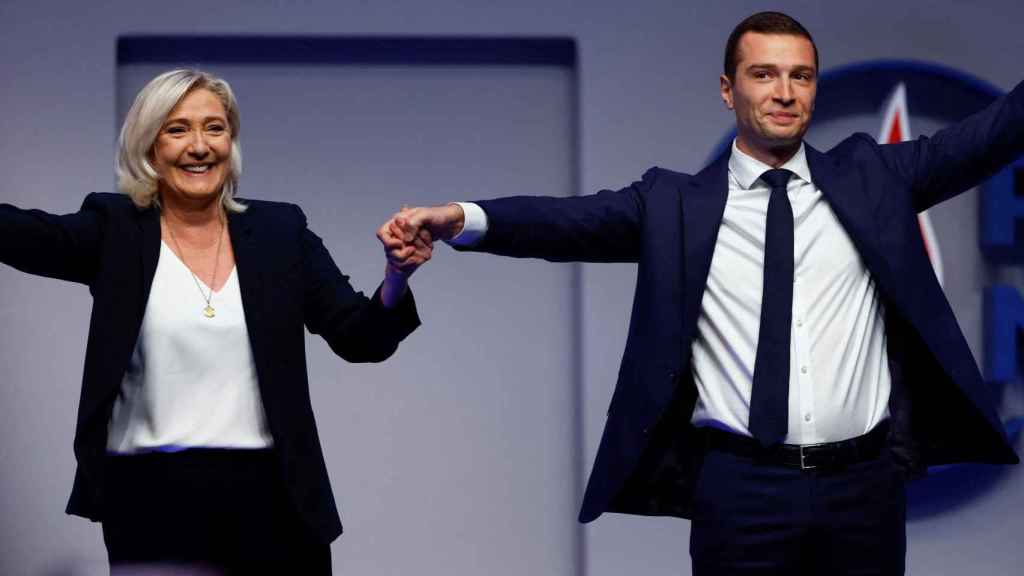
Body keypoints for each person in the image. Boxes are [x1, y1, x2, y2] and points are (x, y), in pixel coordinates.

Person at [379, 11, 1020, 575]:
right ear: (727, 88)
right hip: (739, 489)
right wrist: (460, 217)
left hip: (864, 486)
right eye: (764, 74)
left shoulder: (874, 177)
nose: (785, 92)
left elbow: (992, 134)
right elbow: (567, 221)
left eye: (801, 77)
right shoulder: (675, 203)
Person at [0, 69, 430, 574]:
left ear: (231, 140)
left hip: (275, 498)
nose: (199, 146)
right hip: (150, 499)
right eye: (177, 129)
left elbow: (361, 338)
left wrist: (397, 276)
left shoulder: (280, 232)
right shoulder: (115, 231)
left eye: (214, 128)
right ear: (149, 146)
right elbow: (20, 234)